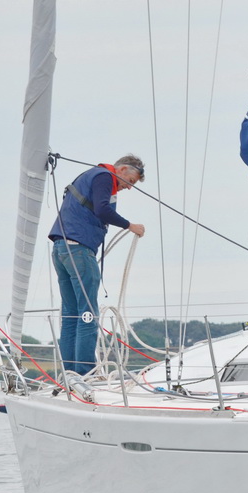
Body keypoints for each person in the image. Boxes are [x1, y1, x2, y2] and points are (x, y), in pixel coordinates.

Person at [47, 155, 147, 375]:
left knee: (71, 314)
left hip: (61, 248)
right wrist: (130, 225)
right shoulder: (104, 176)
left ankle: (70, 374)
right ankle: (85, 374)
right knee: (87, 314)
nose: (129, 187)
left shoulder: (90, 175)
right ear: (121, 169)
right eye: (130, 181)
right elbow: (102, 210)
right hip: (78, 250)